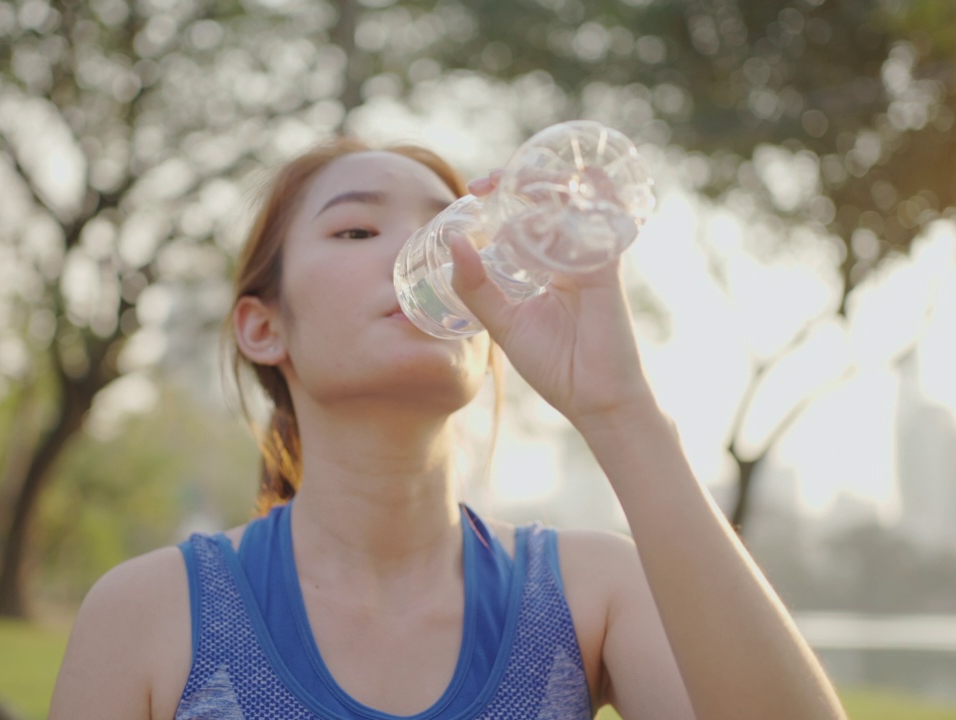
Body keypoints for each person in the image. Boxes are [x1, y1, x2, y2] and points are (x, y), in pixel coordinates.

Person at [47, 137, 846, 720]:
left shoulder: (591, 594)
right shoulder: (152, 613)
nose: (429, 251)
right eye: (357, 230)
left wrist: (621, 412)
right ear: (263, 329)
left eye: (454, 225)